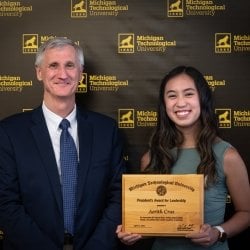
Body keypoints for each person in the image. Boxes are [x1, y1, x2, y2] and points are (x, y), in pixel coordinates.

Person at [0, 37, 125, 250]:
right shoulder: (9, 133)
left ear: (80, 73)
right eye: (53, 66)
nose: (63, 74)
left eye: (70, 65)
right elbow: (5, 203)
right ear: (39, 72)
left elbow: (119, 195)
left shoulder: (106, 130)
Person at [116, 65, 250, 249]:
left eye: (188, 94)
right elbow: (152, 221)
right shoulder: (151, 158)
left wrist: (217, 232)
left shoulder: (227, 155)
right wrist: (130, 233)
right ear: (164, 105)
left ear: (202, 98)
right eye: (172, 96)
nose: (180, 103)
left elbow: (246, 212)